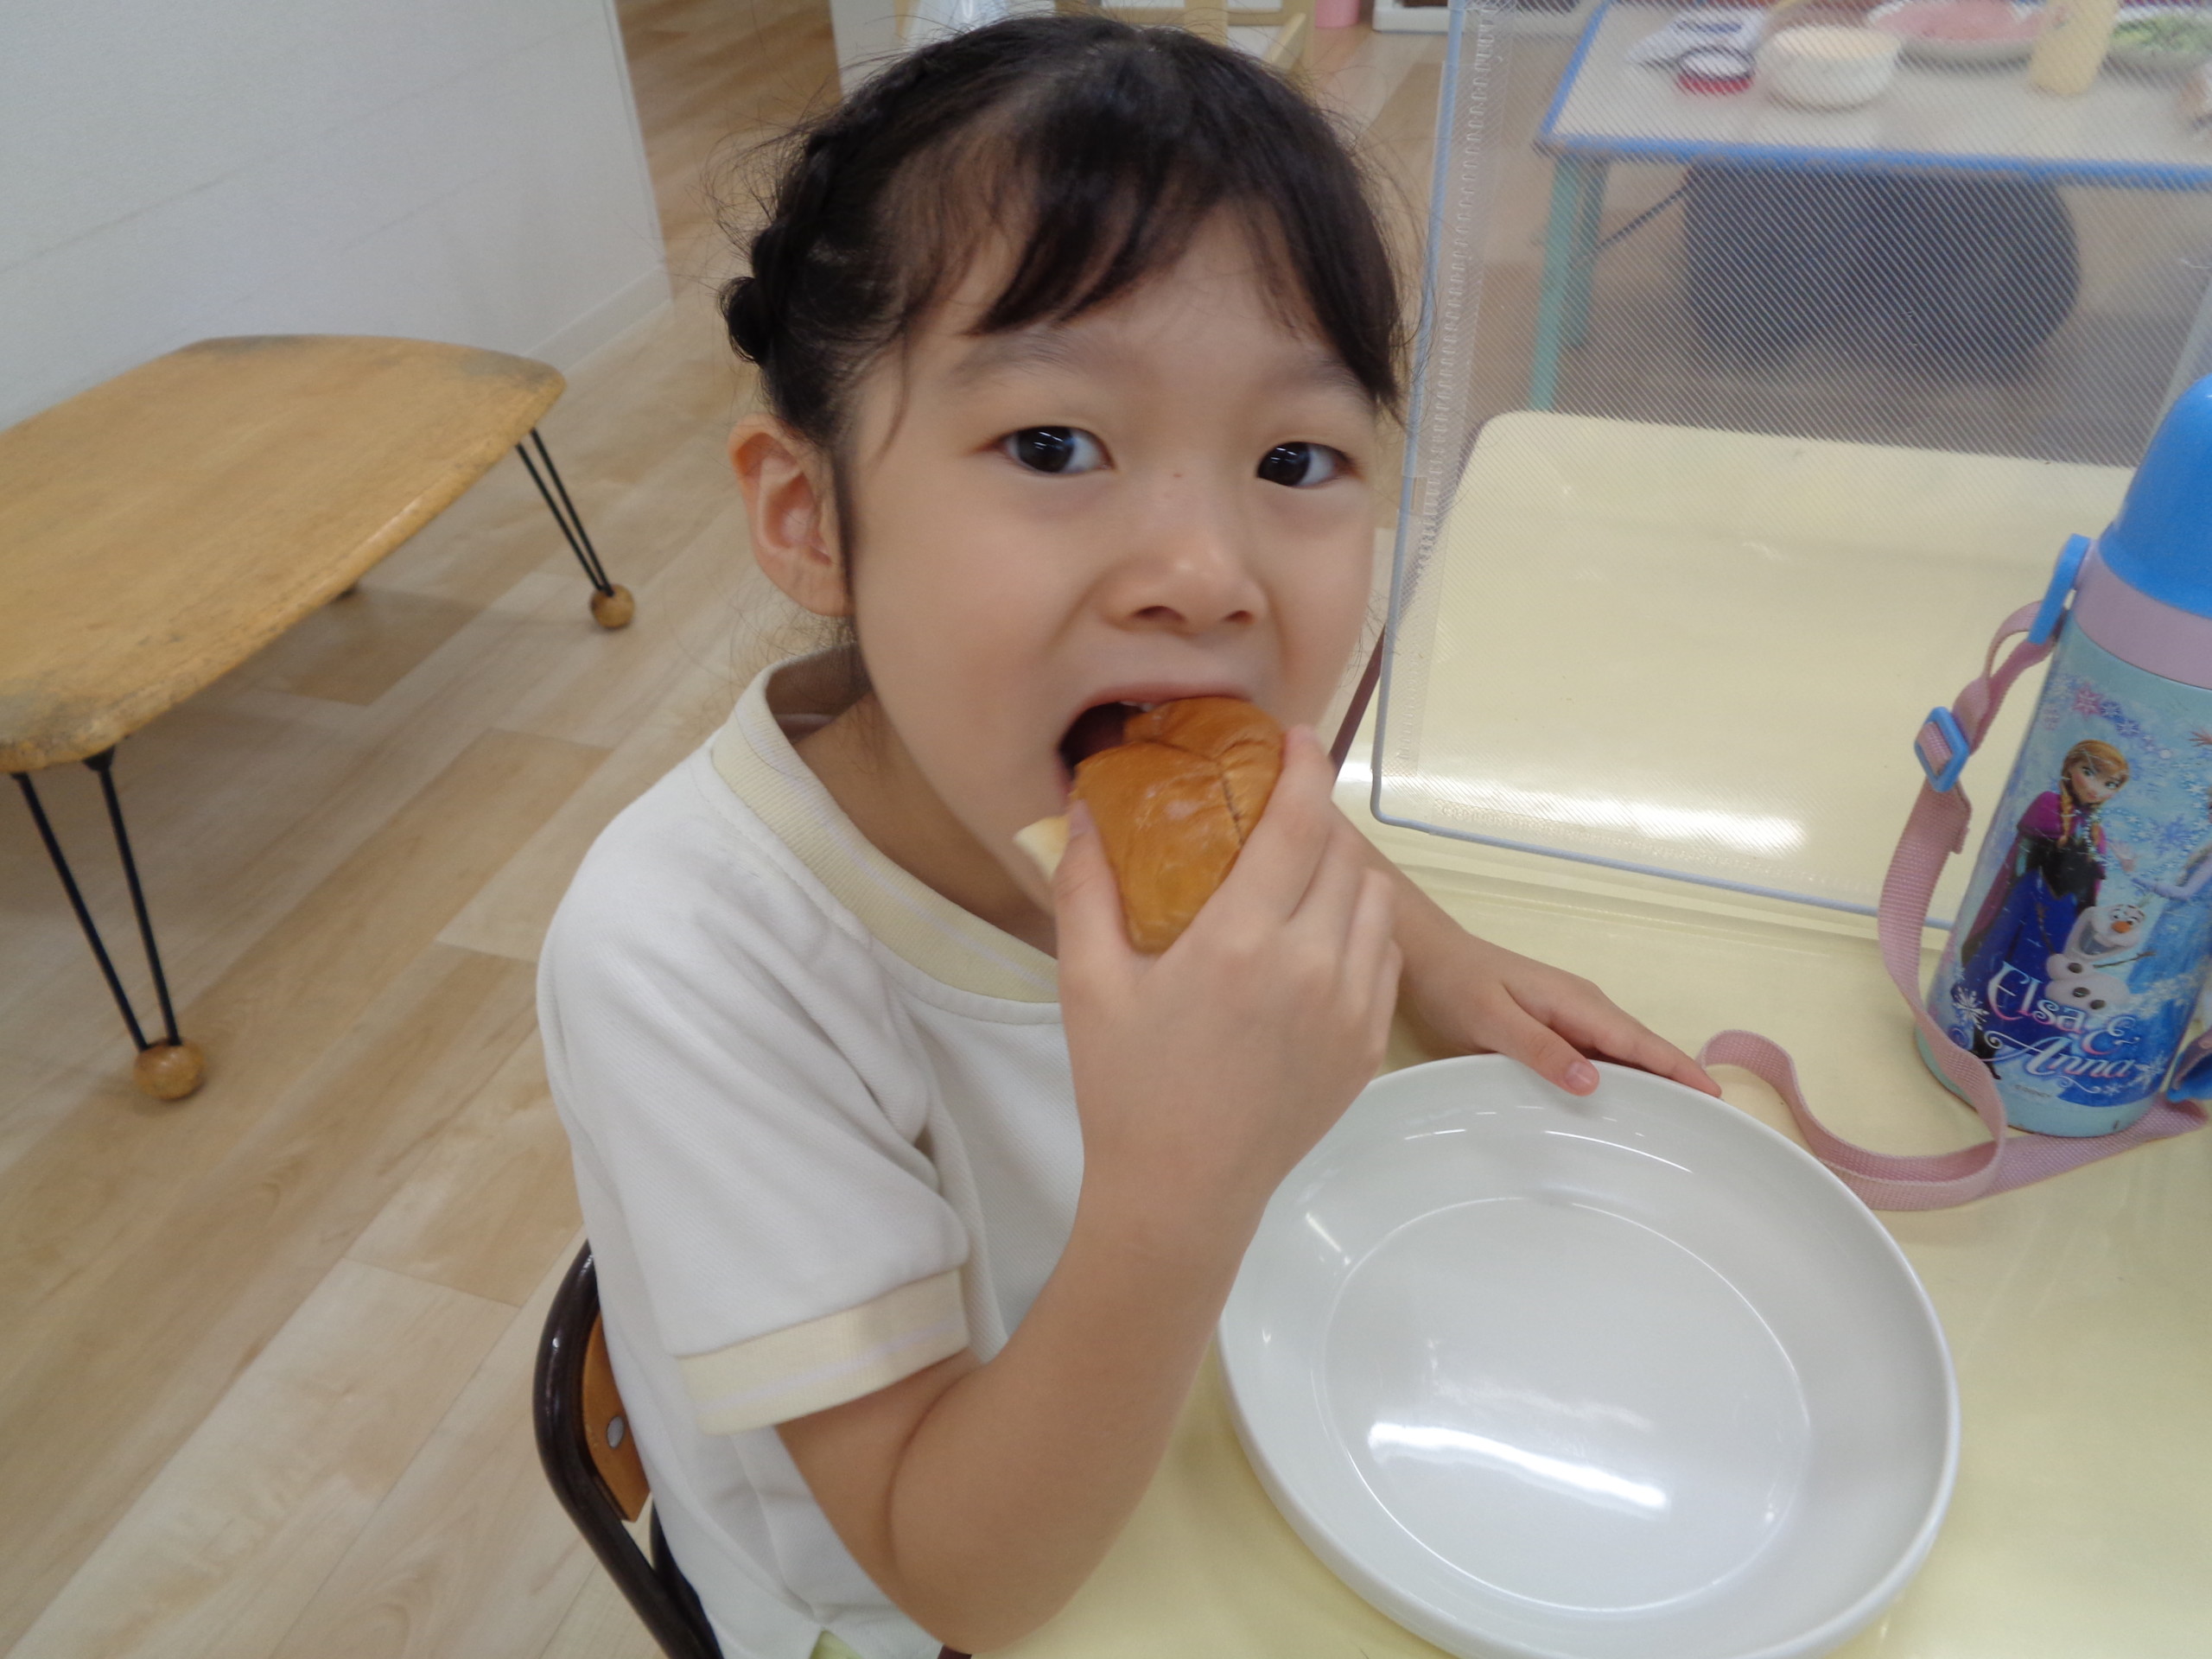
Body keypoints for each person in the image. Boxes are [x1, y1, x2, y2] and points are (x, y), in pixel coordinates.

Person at [538, 17, 1714, 1658]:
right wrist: (1174, 1194)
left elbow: (1262, 823)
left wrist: (1440, 959)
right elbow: (952, 1575)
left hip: (1207, 1388)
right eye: (1054, 445)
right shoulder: (690, 957)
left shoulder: (1108, 763)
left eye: (1295, 458)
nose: (1206, 569)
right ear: (812, 518)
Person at [1954, 739, 2133, 1058]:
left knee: (2043, 979)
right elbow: (2022, 860)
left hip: (2064, 918)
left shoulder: (2094, 828)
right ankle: (1982, 1041)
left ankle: (2015, 1044)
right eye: (2089, 772)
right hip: (2029, 906)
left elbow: (2090, 889)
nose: (2096, 788)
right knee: (2004, 965)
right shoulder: (2048, 803)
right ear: (2070, 767)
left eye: (2110, 784)